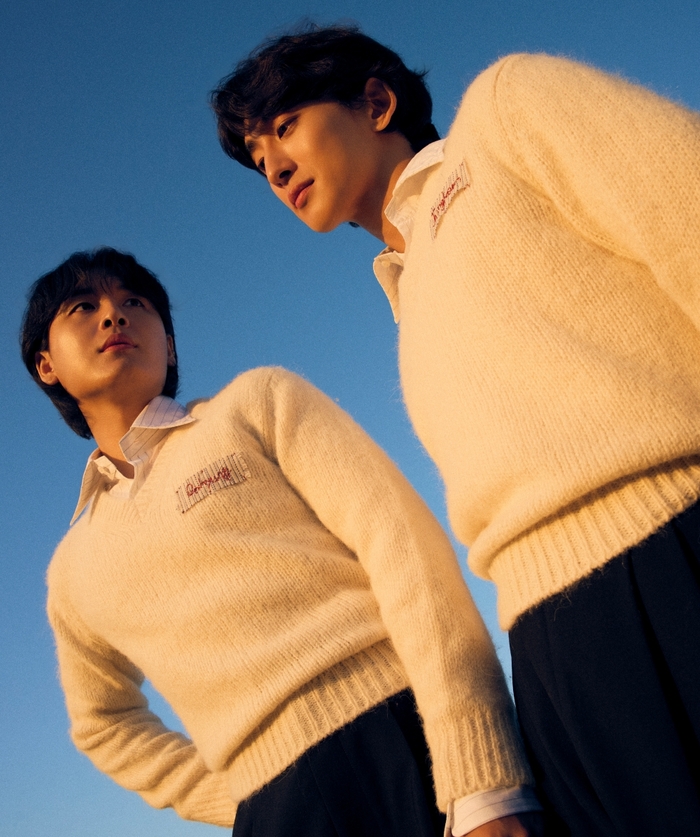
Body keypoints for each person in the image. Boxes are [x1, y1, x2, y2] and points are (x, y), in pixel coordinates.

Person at [210, 26, 700, 836]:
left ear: (376, 102)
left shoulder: (503, 114)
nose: (275, 168)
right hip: (548, 655)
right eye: (259, 159)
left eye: (285, 126)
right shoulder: (406, 295)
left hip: (675, 549)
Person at [21, 247, 541, 837]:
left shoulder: (255, 405)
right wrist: (242, 799)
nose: (114, 315)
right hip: (273, 808)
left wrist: (481, 777)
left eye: (135, 302)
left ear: (170, 345)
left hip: (404, 737)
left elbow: (402, 546)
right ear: (46, 364)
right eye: (83, 307)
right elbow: (102, 724)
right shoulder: (72, 571)